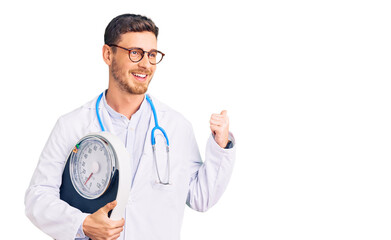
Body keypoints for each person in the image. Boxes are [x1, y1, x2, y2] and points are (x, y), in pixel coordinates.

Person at [25, 13, 236, 240]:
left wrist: (220, 145)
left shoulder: (176, 127)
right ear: (108, 54)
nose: (145, 64)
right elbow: (37, 197)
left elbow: (199, 197)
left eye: (152, 54)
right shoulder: (72, 125)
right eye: (135, 53)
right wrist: (82, 223)